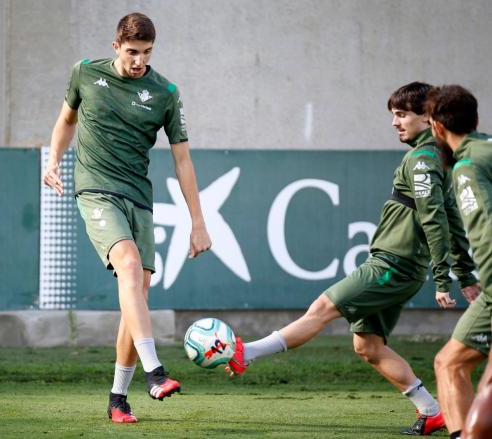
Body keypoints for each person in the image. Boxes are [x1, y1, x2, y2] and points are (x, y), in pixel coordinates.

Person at [226, 82, 480, 436]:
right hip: (400, 264)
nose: (395, 122)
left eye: (402, 114)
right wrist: (463, 273)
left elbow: (435, 218)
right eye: (393, 115)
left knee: (322, 308)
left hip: (393, 264)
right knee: (369, 347)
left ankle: (247, 352)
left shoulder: (422, 158)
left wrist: (444, 277)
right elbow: (450, 217)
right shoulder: (436, 157)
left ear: (429, 117)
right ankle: (431, 411)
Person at [43, 13, 211, 423]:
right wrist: (53, 160)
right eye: (133, 52)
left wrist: (198, 221)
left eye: (147, 53)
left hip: (139, 197)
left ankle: (118, 398)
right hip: (96, 190)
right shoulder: (85, 73)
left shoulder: (166, 92)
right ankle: (156, 373)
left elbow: (183, 159)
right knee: (129, 266)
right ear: (116, 46)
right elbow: (66, 120)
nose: (139, 61)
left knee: (137, 294)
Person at [423, 84, 492, 439]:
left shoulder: (466, 166)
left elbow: (485, 229)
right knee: (457, 366)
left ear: (436, 127)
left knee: (450, 365)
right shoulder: (487, 148)